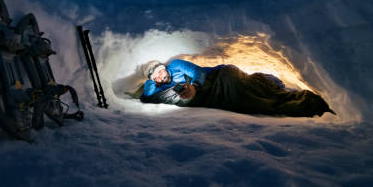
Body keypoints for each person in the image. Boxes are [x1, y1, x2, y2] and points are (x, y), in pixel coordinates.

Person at [141, 59, 334, 117]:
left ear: (163, 66)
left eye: (158, 70)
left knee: (250, 93)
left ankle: (301, 99)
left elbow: (199, 73)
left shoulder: (175, 66)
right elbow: (146, 94)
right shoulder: (156, 86)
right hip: (213, 94)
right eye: (154, 75)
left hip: (221, 77)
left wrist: (194, 88)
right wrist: (151, 81)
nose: (158, 75)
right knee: (243, 104)